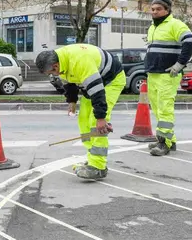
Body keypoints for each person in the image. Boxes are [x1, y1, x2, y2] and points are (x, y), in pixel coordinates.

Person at [36, 43, 126, 180]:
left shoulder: (79, 61)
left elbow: (98, 91)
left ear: (55, 66)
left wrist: (101, 118)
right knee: (83, 120)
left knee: (95, 122)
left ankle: (98, 167)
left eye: (51, 73)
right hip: (92, 84)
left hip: (110, 81)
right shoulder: (61, 61)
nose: (53, 76)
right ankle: (92, 159)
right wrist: (71, 101)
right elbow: (69, 83)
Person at [145, 0, 192, 156]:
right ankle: (169, 139)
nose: (155, 12)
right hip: (153, 73)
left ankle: (164, 143)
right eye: (153, 9)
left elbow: (190, 41)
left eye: (158, 9)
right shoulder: (153, 27)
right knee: (157, 108)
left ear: (167, 10)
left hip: (168, 75)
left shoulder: (175, 24)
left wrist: (179, 64)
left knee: (165, 108)